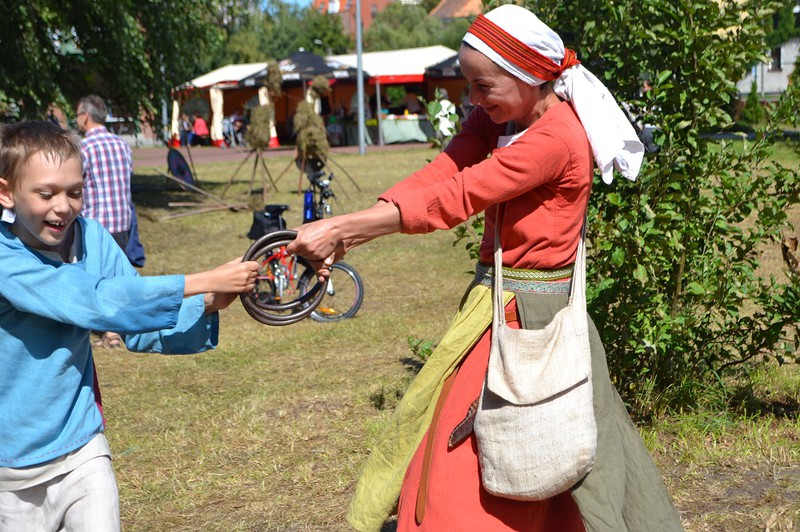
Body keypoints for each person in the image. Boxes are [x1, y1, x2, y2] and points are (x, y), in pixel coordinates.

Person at [288, 5, 682, 531]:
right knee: (510, 443)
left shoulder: (557, 138)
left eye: (483, 86)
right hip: (496, 307)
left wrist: (347, 230)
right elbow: (444, 171)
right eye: (468, 85)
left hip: (533, 317)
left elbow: (462, 194)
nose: (472, 99)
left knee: (512, 448)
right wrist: (352, 224)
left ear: (528, 76)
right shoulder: (502, 116)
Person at [0, 120, 260, 531]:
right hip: (8, 474)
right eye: (46, 193)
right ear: (6, 192)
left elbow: (137, 325)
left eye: (75, 192)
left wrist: (208, 304)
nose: (63, 207)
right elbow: (94, 300)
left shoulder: (92, 238)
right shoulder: (4, 258)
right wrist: (203, 280)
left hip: (81, 449)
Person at [76, 95, 137, 348]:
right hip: (122, 218)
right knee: (115, 273)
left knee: (98, 278)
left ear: (85, 117)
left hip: (97, 220)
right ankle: (116, 325)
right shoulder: (122, 145)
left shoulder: (84, 149)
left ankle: (109, 331)